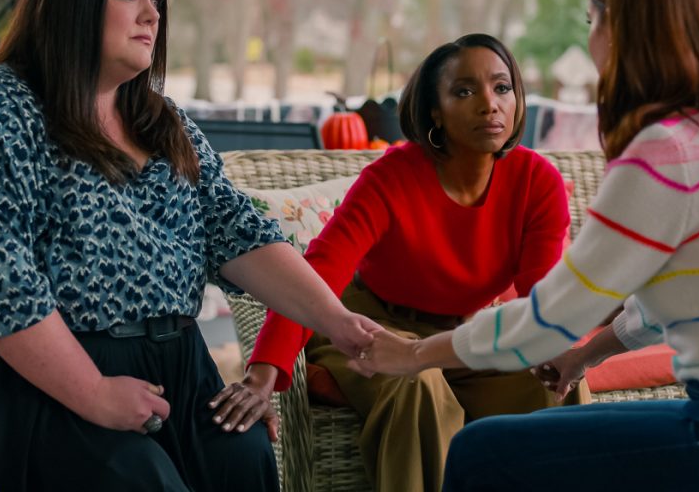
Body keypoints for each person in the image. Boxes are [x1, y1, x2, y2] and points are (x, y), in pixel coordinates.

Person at [350, 0, 699, 491]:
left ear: (623, 30)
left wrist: (414, 354)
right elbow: (686, 291)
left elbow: (549, 318)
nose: (590, 37)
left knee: (481, 452)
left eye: (592, 20)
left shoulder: (667, 154)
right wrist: (587, 356)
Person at [0, 0, 378, 492]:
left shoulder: (161, 119)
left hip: (172, 368)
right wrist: (94, 392)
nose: (151, 15)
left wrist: (341, 324)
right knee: (137, 477)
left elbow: (239, 232)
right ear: (71, 2)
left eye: (157, 0)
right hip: (28, 373)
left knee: (242, 459)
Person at [211, 33, 587, 492]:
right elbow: (320, 272)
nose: (490, 104)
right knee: (418, 383)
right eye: (464, 91)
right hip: (368, 328)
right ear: (434, 111)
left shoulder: (537, 181)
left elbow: (542, 295)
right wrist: (262, 374)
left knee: (550, 382)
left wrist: (560, 344)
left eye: (502, 88)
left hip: (465, 333)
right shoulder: (390, 178)